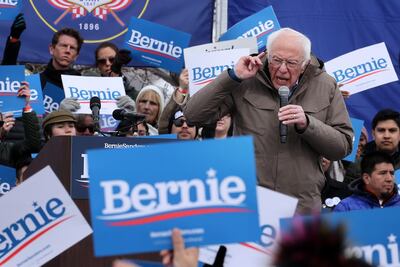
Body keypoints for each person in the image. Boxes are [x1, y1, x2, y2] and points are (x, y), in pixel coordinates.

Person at [184, 28, 353, 213]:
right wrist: (232, 77)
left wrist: (308, 124)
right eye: (276, 60)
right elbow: (193, 115)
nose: (282, 69)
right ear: (268, 55)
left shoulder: (326, 85)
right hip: (249, 202)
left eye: (291, 63)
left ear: (304, 64)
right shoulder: (247, 79)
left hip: (301, 207)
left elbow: (342, 146)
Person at [344, 109, 400, 184]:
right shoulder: (356, 160)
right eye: (381, 130)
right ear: (373, 134)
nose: (386, 136)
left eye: (392, 130)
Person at [334, 151, 400, 212]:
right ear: (366, 178)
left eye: (392, 173)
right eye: (383, 173)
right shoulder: (346, 208)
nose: (389, 179)